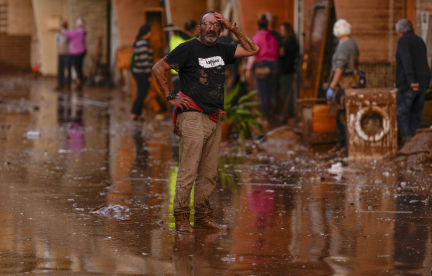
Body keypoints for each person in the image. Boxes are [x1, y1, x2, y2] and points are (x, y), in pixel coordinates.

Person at [152, 11, 259, 233]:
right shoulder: (187, 48)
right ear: (200, 27)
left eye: (216, 26)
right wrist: (170, 97)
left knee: (209, 173)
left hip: (213, 117)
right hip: (191, 115)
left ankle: (203, 217)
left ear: (220, 30)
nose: (211, 29)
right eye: (207, 24)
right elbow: (158, 68)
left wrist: (234, 28)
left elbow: (252, 49)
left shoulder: (222, 49)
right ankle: (181, 218)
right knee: (188, 170)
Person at [394, 19, 431, 146]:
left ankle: (407, 144)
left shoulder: (403, 41)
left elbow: (407, 61)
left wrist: (411, 81)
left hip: (410, 85)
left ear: (399, 31)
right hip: (422, 83)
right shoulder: (419, 40)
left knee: (403, 113)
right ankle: (416, 144)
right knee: (415, 114)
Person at [325, 19, 360, 155]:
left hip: (345, 84)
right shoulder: (353, 42)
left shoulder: (343, 45)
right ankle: (343, 145)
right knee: (347, 115)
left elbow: (340, 67)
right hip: (353, 83)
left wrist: (332, 86)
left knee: (342, 116)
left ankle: (343, 145)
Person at [246, 14, 279, 121]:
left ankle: (264, 116)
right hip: (274, 66)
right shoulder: (273, 38)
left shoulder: (257, 37)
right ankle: (272, 114)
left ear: (258, 26)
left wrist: (248, 69)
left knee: (262, 92)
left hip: (262, 66)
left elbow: (253, 55)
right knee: (272, 91)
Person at [165, 20, 198, 109]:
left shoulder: (173, 39)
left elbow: (167, 54)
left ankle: (174, 116)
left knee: (176, 96)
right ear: (194, 29)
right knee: (190, 98)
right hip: (189, 75)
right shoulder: (195, 40)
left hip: (175, 73)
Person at [130, 24, 153, 121]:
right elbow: (145, 61)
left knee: (141, 93)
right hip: (142, 72)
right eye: (150, 31)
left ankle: (137, 113)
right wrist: (149, 74)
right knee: (141, 94)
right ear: (146, 33)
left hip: (138, 71)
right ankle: (134, 113)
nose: (151, 33)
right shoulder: (143, 44)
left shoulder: (139, 42)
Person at [277, 22, 299, 122]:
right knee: (288, 92)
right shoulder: (293, 41)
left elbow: (282, 54)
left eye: (282, 29)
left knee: (287, 92)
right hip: (289, 69)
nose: (280, 31)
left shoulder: (285, 42)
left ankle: (288, 113)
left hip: (285, 71)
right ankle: (289, 112)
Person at [63, 18, 87, 90]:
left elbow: (68, 34)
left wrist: (63, 29)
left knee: (75, 67)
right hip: (80, 51)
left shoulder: (77, 32)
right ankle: (78, 81)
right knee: (79, 67)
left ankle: (76, 81)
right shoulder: (82, 32)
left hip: (76, 52)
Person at [55, 20, 71, 91]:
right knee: (60, 69)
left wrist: (63, 31)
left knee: (68, 69)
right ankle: (61, 82)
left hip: (67, 53)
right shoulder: (58, 34)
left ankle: (68, 83)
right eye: (61, 25)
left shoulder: (68, 33)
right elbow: (56, 41)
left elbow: (68, 39)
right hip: (60, 53)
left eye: (64, 25)